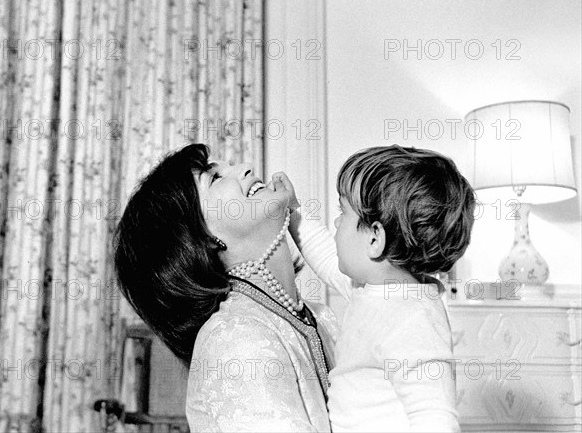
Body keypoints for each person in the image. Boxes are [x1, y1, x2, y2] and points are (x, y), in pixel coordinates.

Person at [113, 143, 337, 432]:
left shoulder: (321, 318)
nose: (246, 168)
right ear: (196, 239)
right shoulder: (233, 339)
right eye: (215, 178)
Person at [283, 145, 476, 432]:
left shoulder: (412, 318)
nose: (336, 221)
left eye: (343, 211)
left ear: (375, 238)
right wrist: (292, 211)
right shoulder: (373, 289)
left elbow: (435, 416)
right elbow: (326, 257)